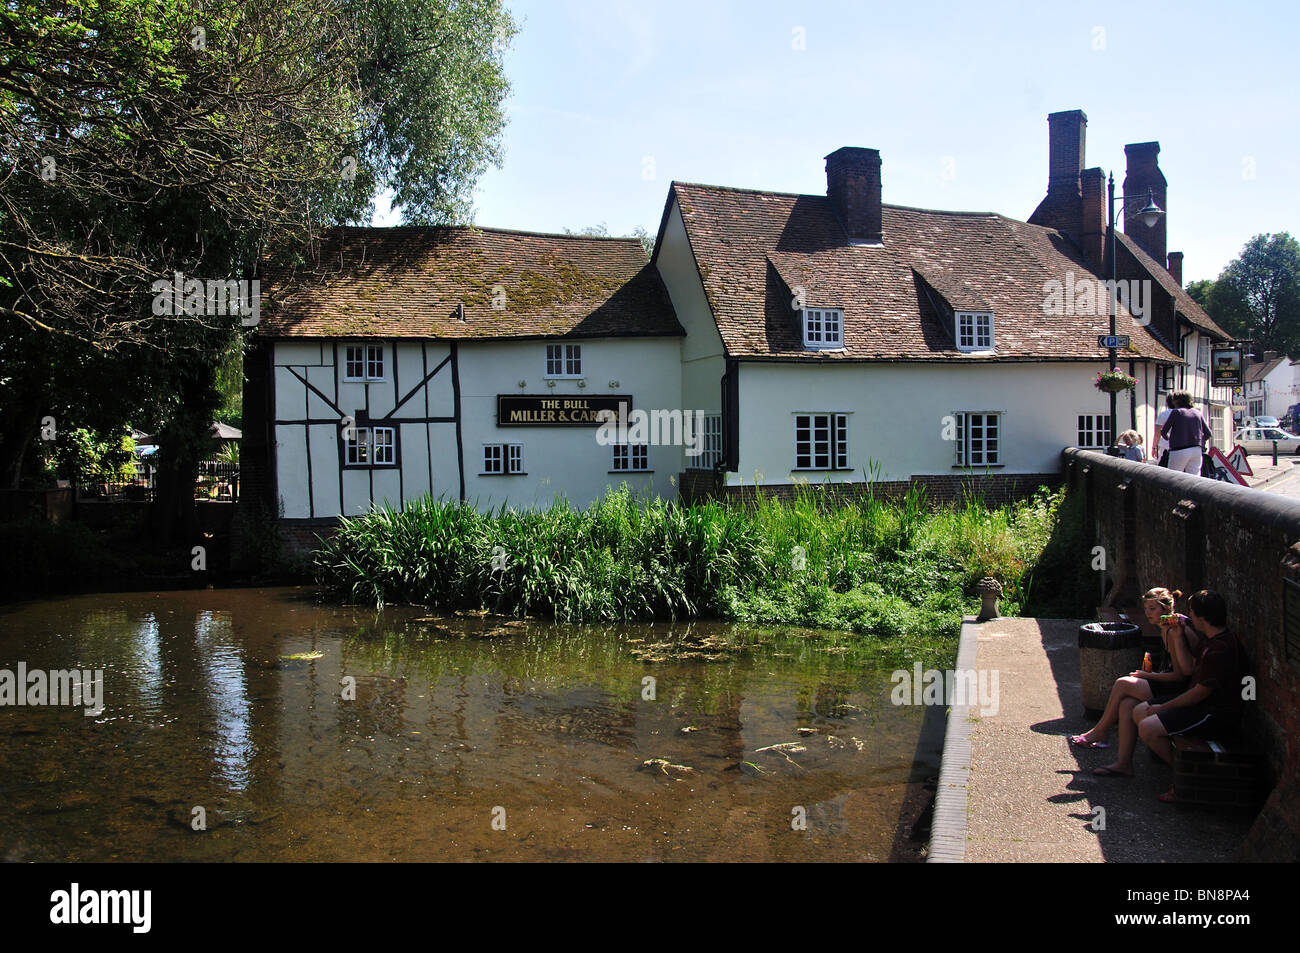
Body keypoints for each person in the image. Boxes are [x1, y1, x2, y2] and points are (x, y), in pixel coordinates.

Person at [1092, 590, 1248, 803]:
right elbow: (1189, 669)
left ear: (1202, 618)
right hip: (1199, 703)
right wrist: (1176, 635)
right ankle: (1133, 762)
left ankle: (1186, 779)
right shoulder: (1210, 640)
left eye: (1192, 614)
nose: (1189, 617)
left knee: (1147, 725)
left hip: (1214, 712)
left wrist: (1163, 707)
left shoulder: (1220, 649)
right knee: (1137, 709)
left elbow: (1197, 692)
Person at [1070, 588, 1198, 749]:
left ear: (1165, 609)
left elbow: (1180, 676)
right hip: (1171, 684)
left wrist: (1147, 675)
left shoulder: (1174, 632)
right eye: (1146, 608)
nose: (1148, 613)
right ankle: (1123, 764)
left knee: (1123, 683)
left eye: (1152, 609)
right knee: (1126, 705)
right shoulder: (1166, 628)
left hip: (1180, 689)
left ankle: (1101, 731)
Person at [1160, 390, 1213, 475]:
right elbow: (1208, 433)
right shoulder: (1197, 413)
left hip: (1179, 449)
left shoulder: (1176, 412)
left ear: (1176, 401)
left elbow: (1164, 431)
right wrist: (1200, 441)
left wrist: (1168, 438)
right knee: (1194, 479)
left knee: (1173, 477)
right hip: (1196, 450)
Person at [1155, 393, 1175, 467]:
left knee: (1163, 465)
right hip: (1181, 445)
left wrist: (1154, 447)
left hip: (1165, 444)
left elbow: (1157, 433)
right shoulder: (1184, 414)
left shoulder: (1163, 414)